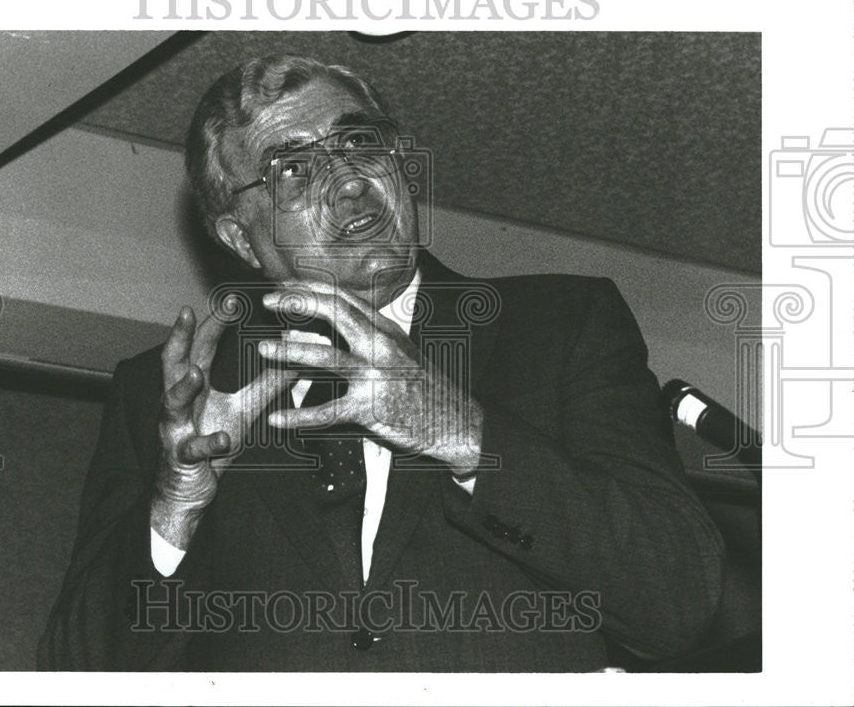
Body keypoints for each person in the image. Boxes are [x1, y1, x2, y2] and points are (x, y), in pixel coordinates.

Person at [38, 54, 725, 672]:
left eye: (360, 142)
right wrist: (177, 504)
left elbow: (678, 598)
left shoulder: (561, 325)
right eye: (294, 167)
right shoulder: (173, 396)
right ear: (239, 239)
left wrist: (460, 431)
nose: (348, 183)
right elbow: (76, 670)